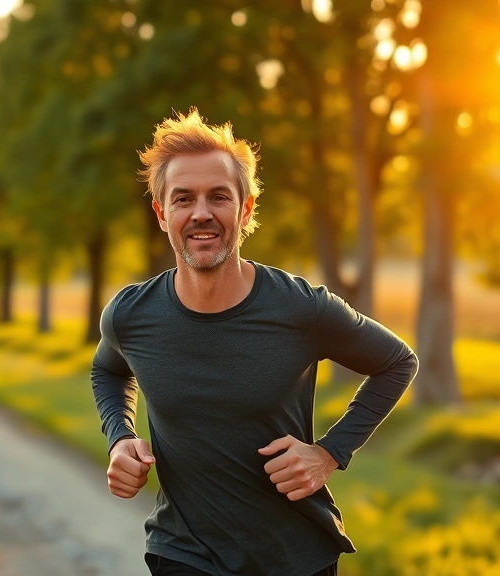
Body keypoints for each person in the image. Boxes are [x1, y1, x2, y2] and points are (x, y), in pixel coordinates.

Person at [90, 109, 418, 576]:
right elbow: (107, 370)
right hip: (183, 554)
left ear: (245, 211)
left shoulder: (301, 308)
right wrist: (119, 437)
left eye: (218, 196)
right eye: (183, 198)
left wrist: (329, 453)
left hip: (294, 557)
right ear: (163, 214)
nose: (201, 212)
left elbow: (397, 362)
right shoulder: (131, 314)